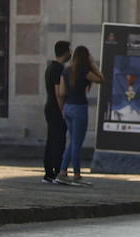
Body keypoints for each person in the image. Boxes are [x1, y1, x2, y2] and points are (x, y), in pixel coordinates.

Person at [55, 44, 103, 185]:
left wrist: (63, 109)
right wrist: (93, 64)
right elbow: (101, 79)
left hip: (68, 108)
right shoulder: (84, 71)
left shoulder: (66, 71)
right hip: (79, 108)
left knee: (72, 142)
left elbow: (62, 93)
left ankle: (63, 172)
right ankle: (76, 175)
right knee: (77, 143)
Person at [42, 40, 71, 183]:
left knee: (51, 140)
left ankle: (48, 173)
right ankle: (56, 171)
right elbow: (59, 93)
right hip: (56, 109)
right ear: (65, 52)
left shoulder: (49, 68)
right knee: (58, 141)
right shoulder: (59, 69)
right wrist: (63, 112)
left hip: (49, 107)